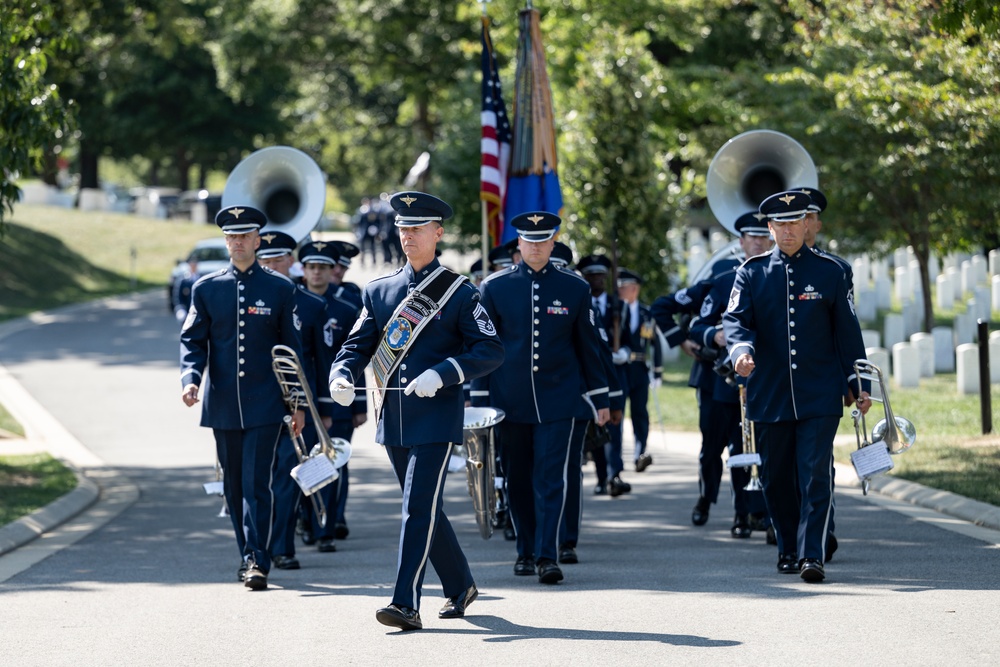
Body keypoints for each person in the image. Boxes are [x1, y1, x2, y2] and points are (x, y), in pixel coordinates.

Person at [328, 191, 504, 631]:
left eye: (417, 228)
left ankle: (404, 601)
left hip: (436, 417)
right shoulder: (380, 291)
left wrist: (446, 372)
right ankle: (460, 584)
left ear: (438, 233)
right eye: (403, 228)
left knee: (415, 507)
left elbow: (490, 350)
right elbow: (355, 346)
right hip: (395, 418)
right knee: (423, 508)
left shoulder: (461, 292)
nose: (407, 236)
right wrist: (342, 375)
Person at [723, 190, 872, 583]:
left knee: (814, 474)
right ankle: (788, 547)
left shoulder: (831, 272)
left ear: (806, 224)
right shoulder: (750, 272)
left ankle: (812, 554)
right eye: (780, 225)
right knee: (775, 479)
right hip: (769, 393)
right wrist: (740, 351)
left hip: (820, 394)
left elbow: (849, 335)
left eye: (794, 223)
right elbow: (736, 320)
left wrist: (860, 383)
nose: (787, 231)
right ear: (769, 228)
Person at [473, 211, 611, 585]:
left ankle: (548, 556)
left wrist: (600, 399)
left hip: (559, 400)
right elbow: (483, 348)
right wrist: (479, 399)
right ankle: (525, 550)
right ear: (518, 243)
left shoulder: (575, 288)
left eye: (543, 240)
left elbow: (589, 349)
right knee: (517, 479)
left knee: (550, 479)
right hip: (509, 401)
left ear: (553, 243)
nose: (535, 247)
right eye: (529, 241)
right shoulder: (494, 287)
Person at [180, 205, 305, 591]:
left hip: (266, 404)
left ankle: (257, 559)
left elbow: (292, 350)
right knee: (233, 487)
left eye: (244, 236)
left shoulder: (281, 289)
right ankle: (245, 553)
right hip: (221, 404)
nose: (237, 242)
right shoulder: (207, 288)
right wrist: (190, 379)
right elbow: (192, 341)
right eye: (231, 237)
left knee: (256, 483)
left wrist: (297, 403)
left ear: (256, 240)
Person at [687, 212, 774, 539]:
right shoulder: (725, 280)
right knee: (712, 450)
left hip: (757, 382)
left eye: (763, 237)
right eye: (751, 238)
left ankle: (747, 513)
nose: (758, 242)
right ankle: (706, 498)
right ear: (741, 242)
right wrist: (715, 336)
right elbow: (697, 324)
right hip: (718, 384)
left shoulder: (776, 278)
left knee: (745, 449)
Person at [254, 231, 333, 570]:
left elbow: (322, 361)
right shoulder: (246, 300)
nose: (271, 265)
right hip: (256, 402)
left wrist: (324, 410)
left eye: (277, 259)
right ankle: (255, 548)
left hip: (295, 404)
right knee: (256, 479)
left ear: (291, 261)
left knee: (289, 479)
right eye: (265, 260)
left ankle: (283, 546)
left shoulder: (312, 306)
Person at [297, 240, 366, 550]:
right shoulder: (292, 303)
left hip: (339, 400)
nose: (318, 273)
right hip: (303, 399)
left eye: (324, 267)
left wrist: (360, 402)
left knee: (334, 462)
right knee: (304, 461)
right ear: (304, 270)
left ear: (331, 270)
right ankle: (307, 521)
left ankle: (327, 526)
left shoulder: (348, 307)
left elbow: (360, 358)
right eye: (312, 267)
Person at [611, 268, 663, 477]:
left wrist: (657, 372)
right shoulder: (614, 311)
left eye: (626, 287)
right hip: (620, 368)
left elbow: (654, 342)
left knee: (640, 413)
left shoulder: (645, 313)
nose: (622, 291)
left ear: (635, 289)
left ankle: (640, 451)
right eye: (620, 287)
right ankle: (616, 462)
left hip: (640, 369)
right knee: (618, 413)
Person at [575, 253, 615, 494]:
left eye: (600, 275)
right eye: (591, 276)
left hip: (611, 373)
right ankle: (601, 477)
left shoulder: (615, 304)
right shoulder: (580, 299)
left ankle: (611, 475)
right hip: (584, 377)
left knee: (605, 431)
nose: (596, 280)